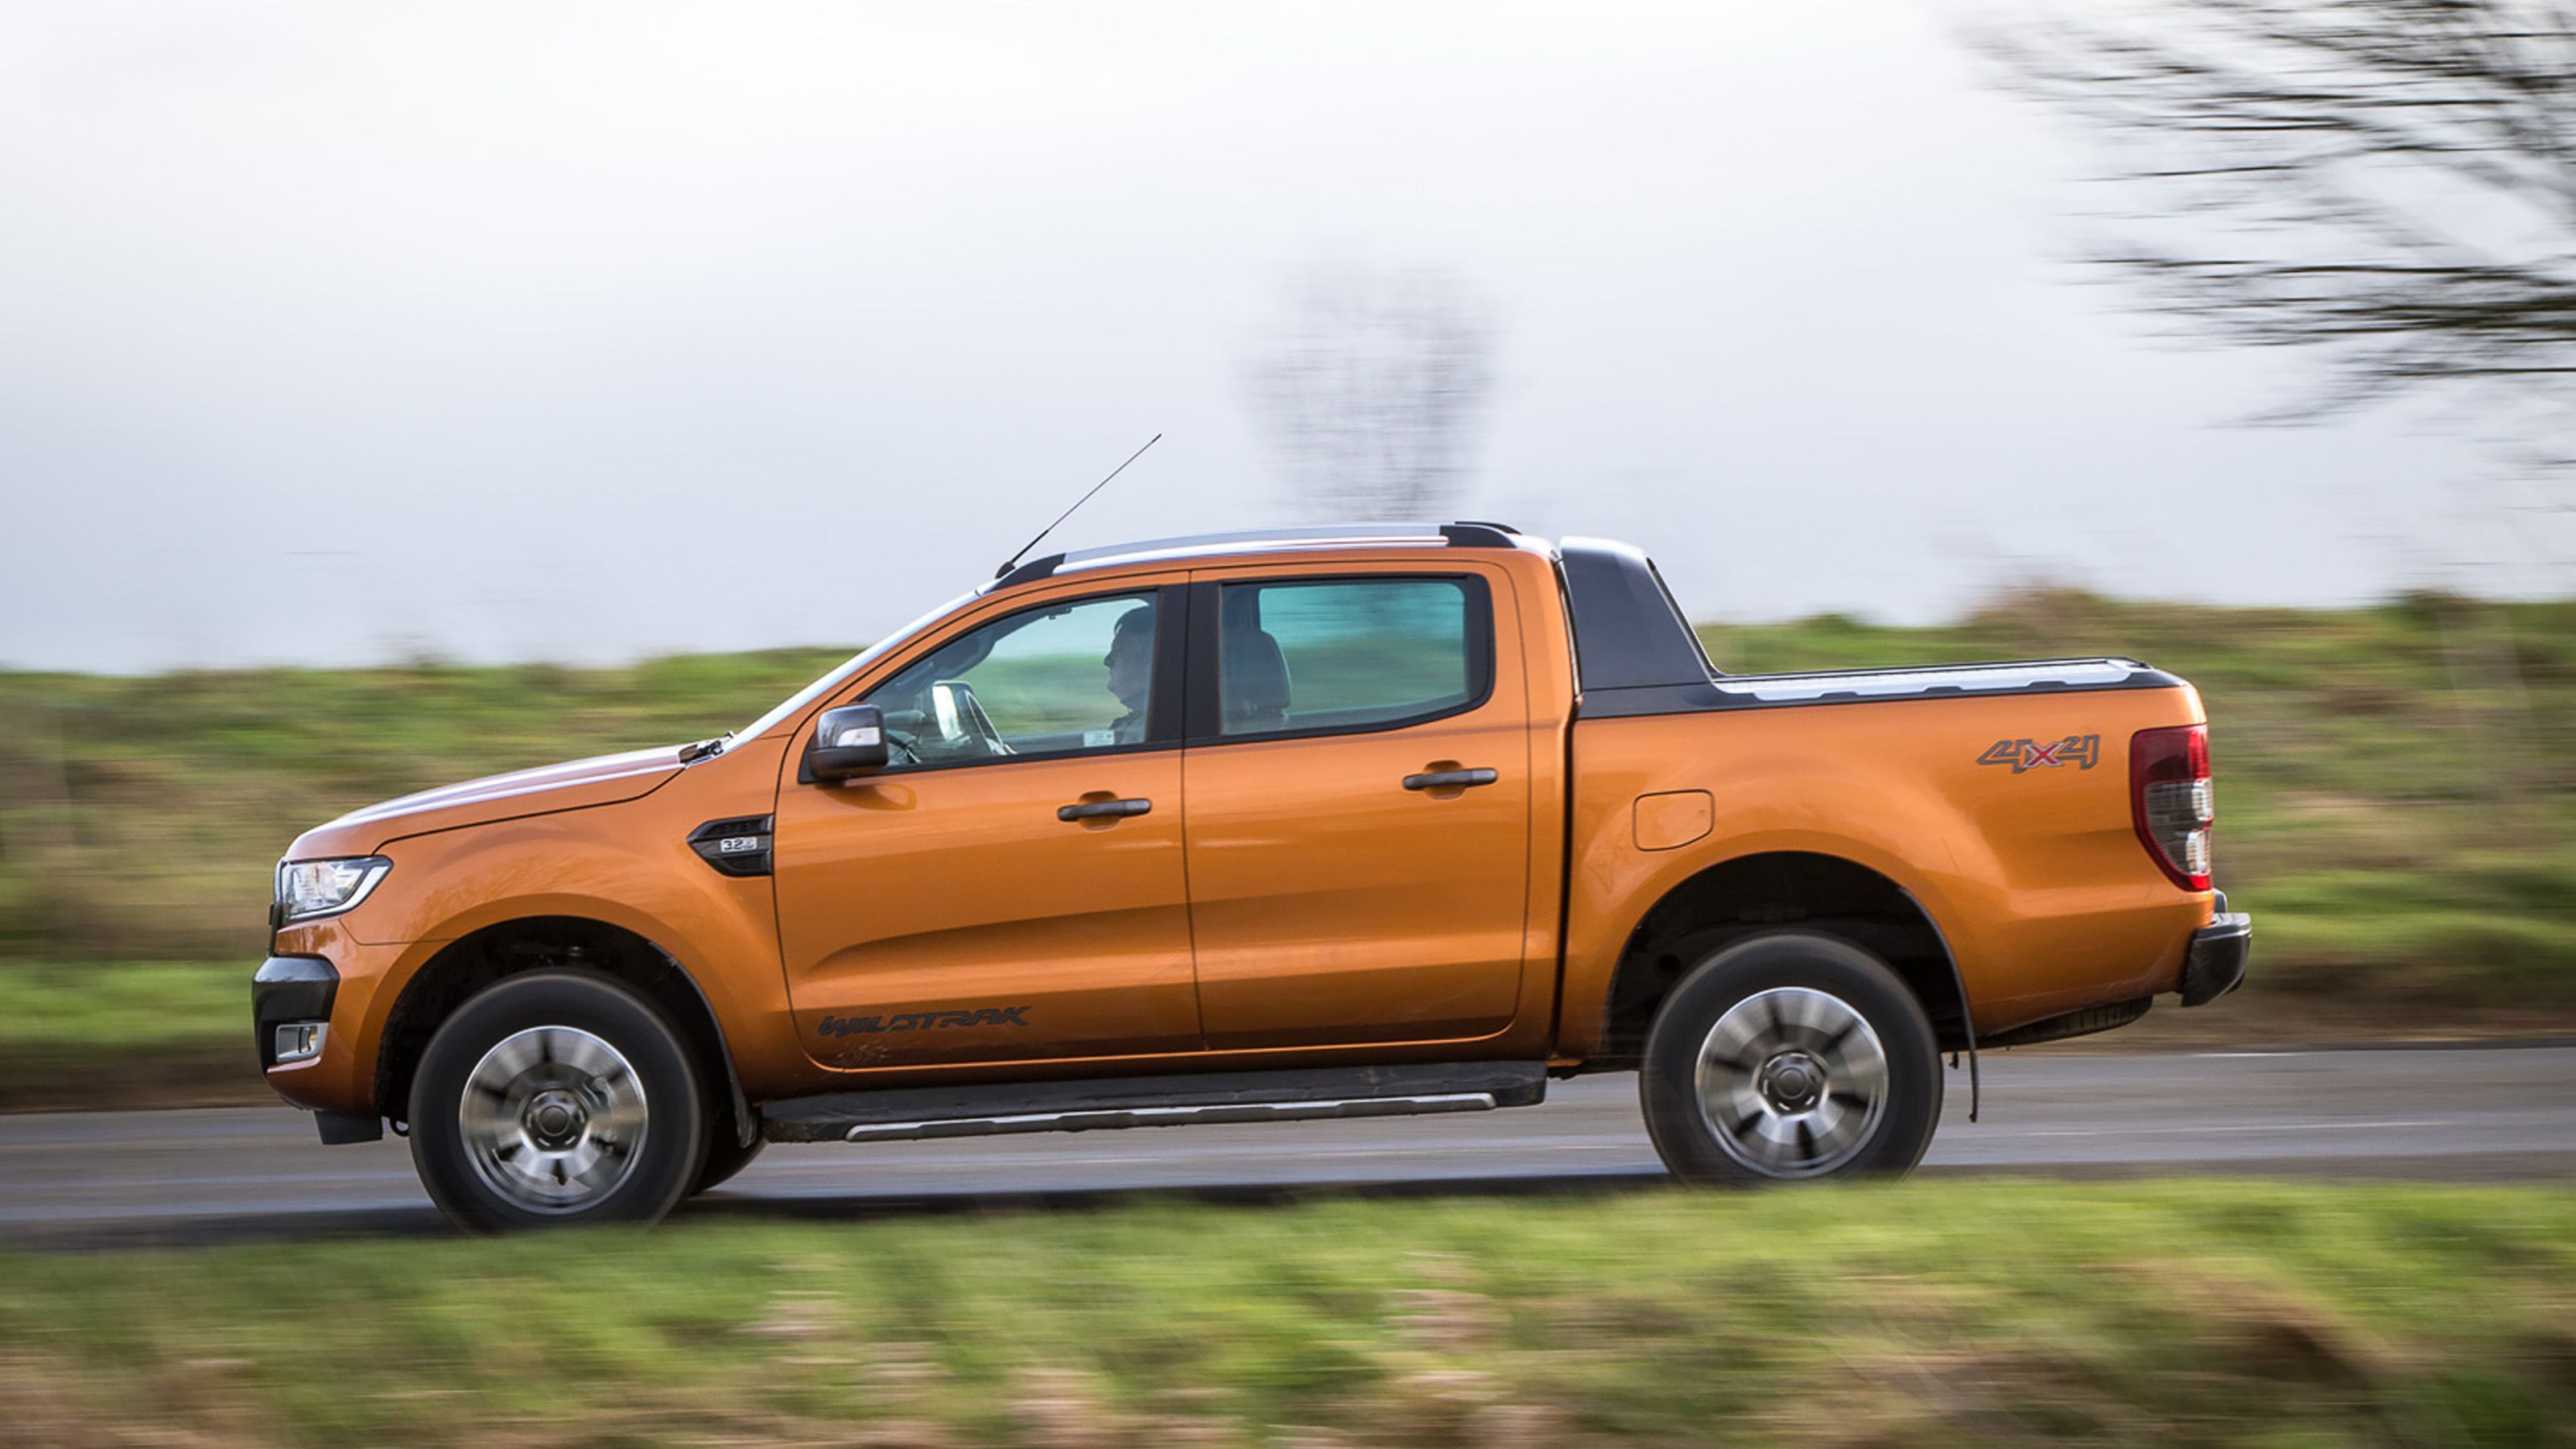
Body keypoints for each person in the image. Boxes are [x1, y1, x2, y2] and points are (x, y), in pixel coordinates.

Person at [1101, 605, 1154, 743]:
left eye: (1119, 651)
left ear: (1150, 663)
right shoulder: (1140, 726)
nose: (1107, 661)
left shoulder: (1147, 732)